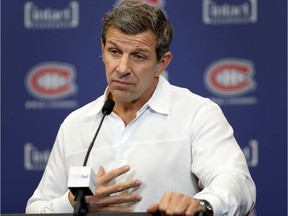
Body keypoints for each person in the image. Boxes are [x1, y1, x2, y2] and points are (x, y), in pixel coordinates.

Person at [26, 1, 256, 215]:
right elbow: (37, 207)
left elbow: (237, 182)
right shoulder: (75, 124)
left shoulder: (197, 114)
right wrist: (72, 203)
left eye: (138, 56)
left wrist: (202, 204)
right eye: (114, 52)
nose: (122, 68)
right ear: (102, 48)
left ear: (162, 63)